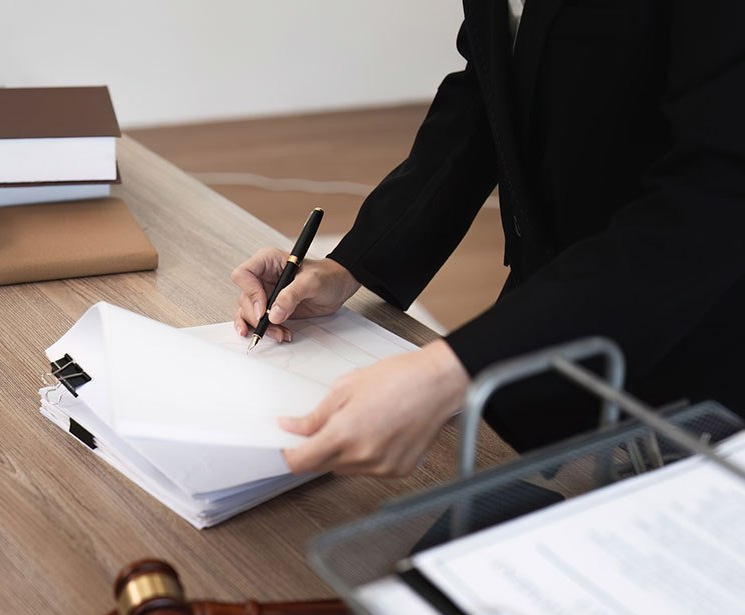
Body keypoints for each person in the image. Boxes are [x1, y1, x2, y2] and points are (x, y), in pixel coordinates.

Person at [231, 1, 745, 476]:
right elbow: (488, 87)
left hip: (699, 341)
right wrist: (352, 266)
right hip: (550, 304)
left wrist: (452, 367)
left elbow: (716, 202)